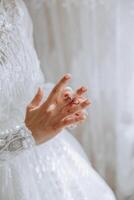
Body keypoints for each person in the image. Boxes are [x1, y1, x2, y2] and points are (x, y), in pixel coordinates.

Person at [0, 0, 116, 199]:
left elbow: (31, 83)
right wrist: (23, 137)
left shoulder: (12, 7)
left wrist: (57, 105)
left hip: (52, 159)